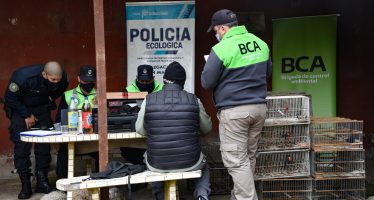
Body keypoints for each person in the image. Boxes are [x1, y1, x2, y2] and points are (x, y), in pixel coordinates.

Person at [201, 9, 272, 200]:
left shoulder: (221, 49)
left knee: (236, 160)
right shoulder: (260, 43)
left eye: (215, 30)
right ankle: (237, 197)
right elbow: (267, 72)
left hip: (235, 112)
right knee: (248, 157)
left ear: (223, 28)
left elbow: (206, 82)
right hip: (259, 108)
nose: (216, 34)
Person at [136, 61, 212, 200]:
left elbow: (140, 130)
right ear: (182, 82)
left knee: (153, 160)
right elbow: (206, 128)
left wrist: (156, 130)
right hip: (190, 162)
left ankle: (160, 195)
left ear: (164, 80)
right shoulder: (194, 99)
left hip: (157, 163)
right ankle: (202, 195)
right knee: (205, 166)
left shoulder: (149, 99)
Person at [4, 61, 68, 199]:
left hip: (41, 109)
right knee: (21, 147)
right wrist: (26, 114)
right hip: (20, 109)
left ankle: (42, 181)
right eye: (53, 80)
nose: (56, 82)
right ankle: (25, 185)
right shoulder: (23, 77)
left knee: (44, 145)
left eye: (58, 79)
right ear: (44, 74)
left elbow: (59, 90)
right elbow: (10, 98)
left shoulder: (63, 78)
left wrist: (47, 100)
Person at [55, 65, 97, 179]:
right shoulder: (68, 95)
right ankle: (63, 181)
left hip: (93, 140)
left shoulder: (100, 95)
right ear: (79, 79)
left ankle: (101, 183)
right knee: (64, 150)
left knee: (102, 150)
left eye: (91, 81)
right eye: (85, 80)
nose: (88, 83)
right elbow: (59, 120)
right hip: (73, 139)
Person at [121, 64, 163, 165]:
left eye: (148, 81)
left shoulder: (163, 89)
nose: (144, 83)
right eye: (142, 81)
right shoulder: (127, 91)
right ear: (137, 78)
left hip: (157, 133)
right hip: (134, 135)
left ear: (153, 78)